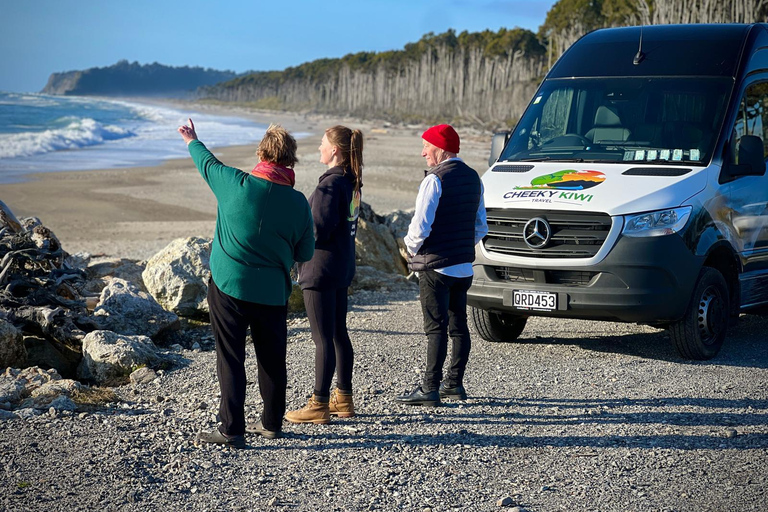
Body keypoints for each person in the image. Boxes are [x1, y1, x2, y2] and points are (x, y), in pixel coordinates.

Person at [178, 119, 315, 448]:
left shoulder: (232, 183)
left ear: (261, 153)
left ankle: (232, 430)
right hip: (271, 292)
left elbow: (206, 162)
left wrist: (191, 139)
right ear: (290, 161)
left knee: (231, 357)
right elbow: (305, 251)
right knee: (272, 358)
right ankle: (271, 424)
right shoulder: (298, 204)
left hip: (229, 286)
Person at [395, 124, 487, 407]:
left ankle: (430, 388)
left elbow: (420, 227)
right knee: (459, 327)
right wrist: (460, 245)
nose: (423, 152)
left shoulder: (434, 180)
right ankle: (454, 384)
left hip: (435, 268)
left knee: (436, 329)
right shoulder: (474, 178)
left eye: (427, 147)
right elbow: (481, 226)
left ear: (442, 149)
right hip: (463, 267)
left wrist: (409, 251)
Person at [285, 125, 363, 424]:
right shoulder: (351, 181)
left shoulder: (330, 185)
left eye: (322, 144)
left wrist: (292, 242)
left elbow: (316, 230)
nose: (318, 148)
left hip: (320, 270)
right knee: (337, 333)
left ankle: (318, 403)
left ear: (335, 150)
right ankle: (343, 398)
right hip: (341, 267)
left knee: (322, 338)